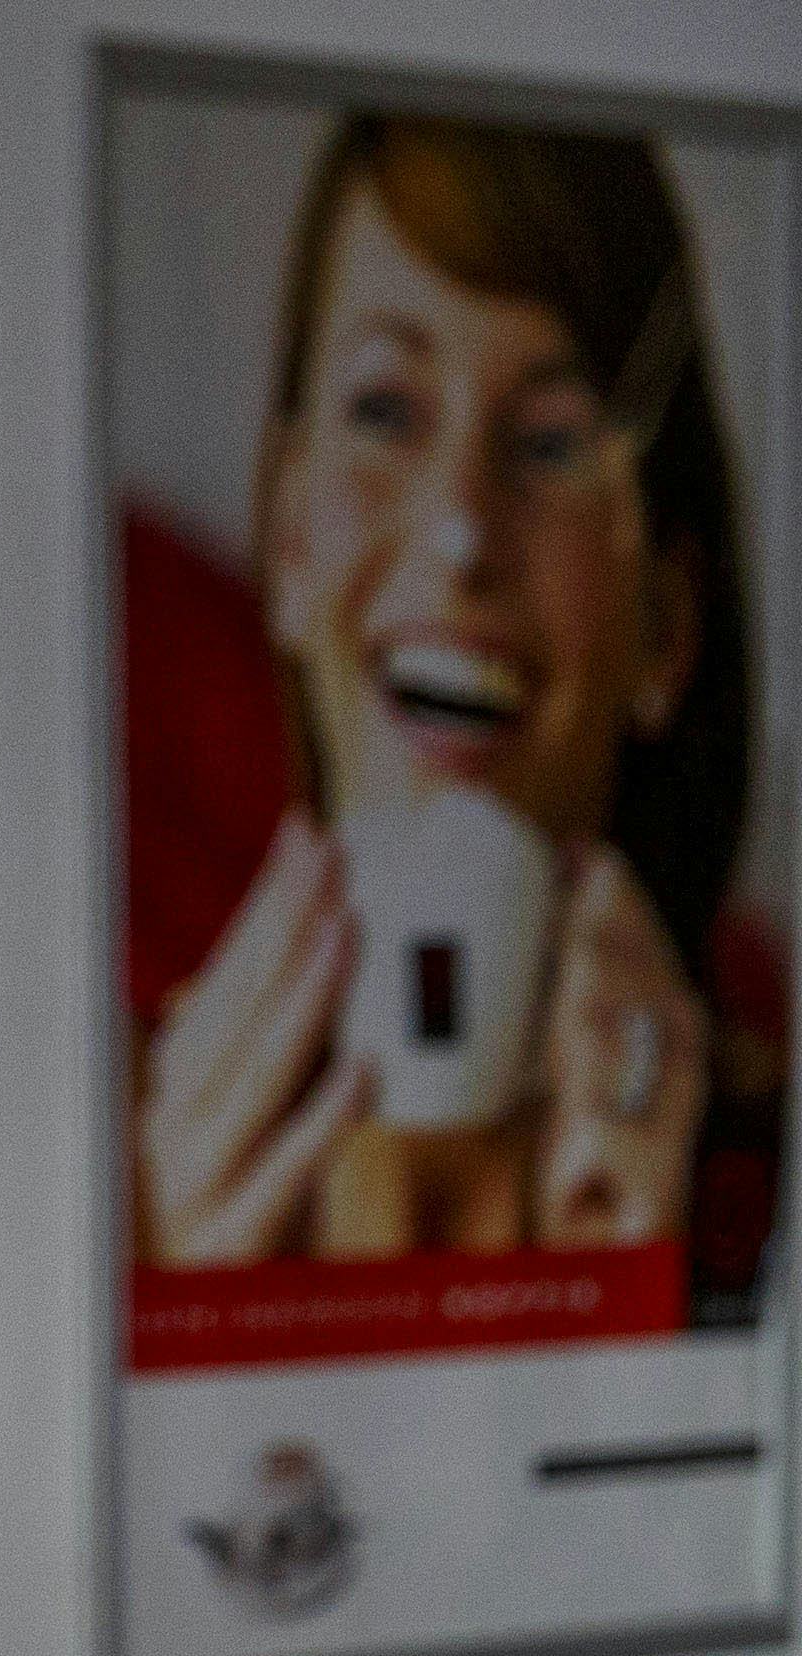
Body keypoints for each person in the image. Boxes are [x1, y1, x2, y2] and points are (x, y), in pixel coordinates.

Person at [132, 114, 773, 1302]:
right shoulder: (109, 1144)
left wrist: (644, 1304)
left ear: (665, 625)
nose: (462, 531)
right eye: (386, 410)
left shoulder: (765, 1194)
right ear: (286, 537)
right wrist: (190, 1309)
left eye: (550, 443)